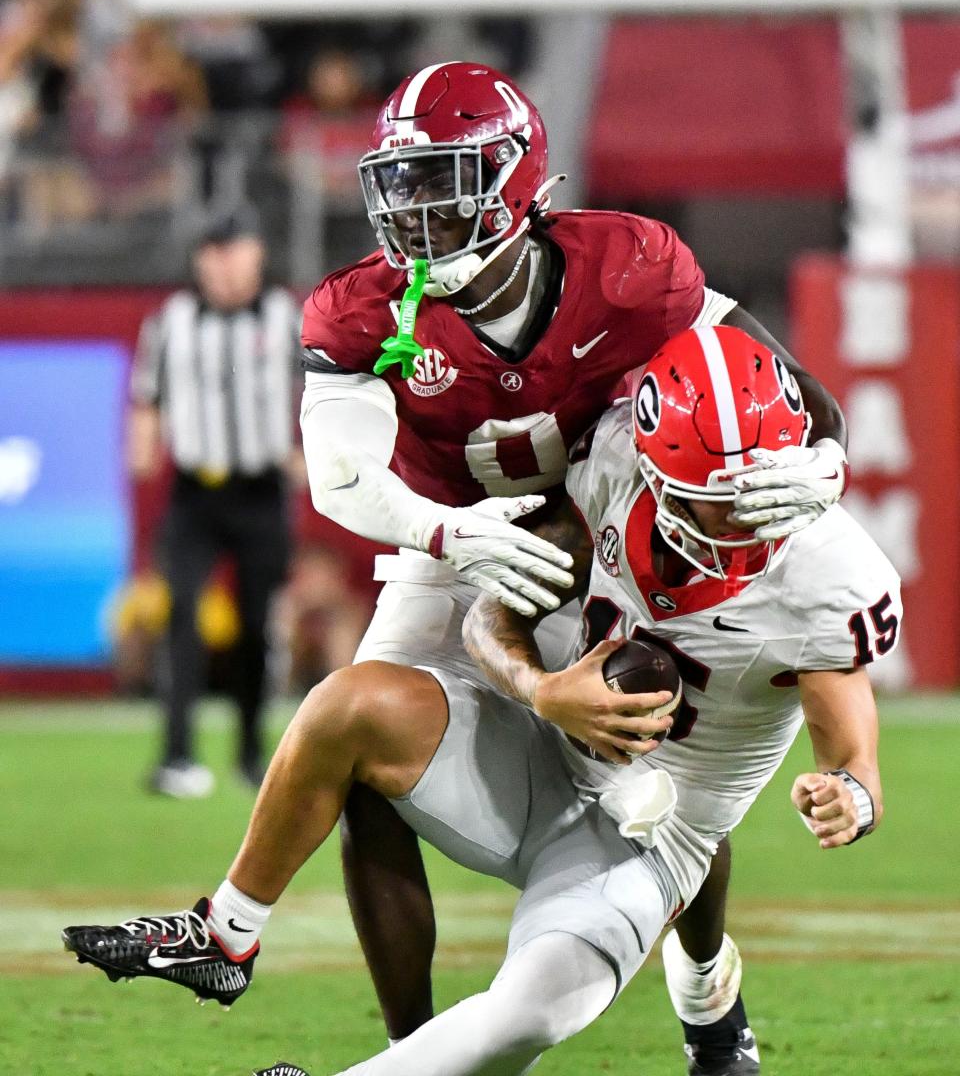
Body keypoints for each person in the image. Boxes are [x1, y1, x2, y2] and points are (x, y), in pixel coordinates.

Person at [67, 61, 850, 1073]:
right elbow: (341, 476)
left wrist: (823, 455)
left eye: (445, 178)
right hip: (453, 535)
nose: (417, 209)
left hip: (606, 529)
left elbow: (775, 380)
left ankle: (707, 997)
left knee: (668, 758)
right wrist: (446, 534)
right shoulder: (366, 309)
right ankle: (376, 1025)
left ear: (517, 179)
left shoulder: (629, 266)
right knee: (350, 737)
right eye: (402, 183)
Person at [61, 327, 899, 1076]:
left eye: (754, 489)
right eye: (709, 491)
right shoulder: (612, 463)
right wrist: (544, 689)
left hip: (649, 840)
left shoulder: (828, 573)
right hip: (536, 753)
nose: (734, 514)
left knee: (529, 1012)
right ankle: (228, 931)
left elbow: (849, 745)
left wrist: (850, 795)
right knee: (345, 706)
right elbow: (497, 608)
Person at [128, 205, 303, 797]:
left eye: (235, 251)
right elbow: (147, 396)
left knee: (257, 624)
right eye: (213, 253)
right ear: (199, 260)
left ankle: (253, 753)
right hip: (193, 491)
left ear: (256, 254)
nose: (224, 266)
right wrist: (143, 448)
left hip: (260, 489)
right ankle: (176, 756)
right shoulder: (170, 323)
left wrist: (311, 457)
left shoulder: (287, 318)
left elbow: (323, 393)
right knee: (180, 616)